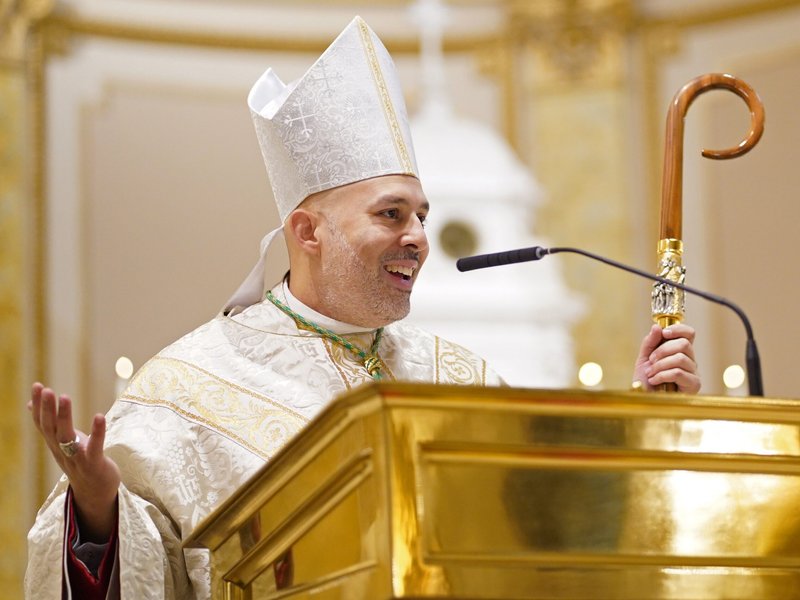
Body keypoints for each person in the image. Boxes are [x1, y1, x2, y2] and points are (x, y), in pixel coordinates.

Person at [25, 16, 700, 600]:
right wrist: (97, 513)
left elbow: (548, 523)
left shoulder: (457, 377)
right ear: (308, 232)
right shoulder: (184, 390)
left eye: (423, 216)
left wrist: (641, 417)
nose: (417, 237)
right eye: (391, 214)